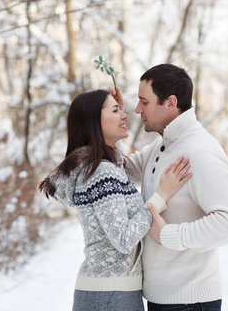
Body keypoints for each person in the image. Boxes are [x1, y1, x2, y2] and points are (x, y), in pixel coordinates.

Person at [39, 89, 192, 311]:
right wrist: (161, 196)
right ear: (94, 121)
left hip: (108, 293)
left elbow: (115, 164)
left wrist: (112, 112)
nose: (125, 115)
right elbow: (123, 238)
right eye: (115, 110)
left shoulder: (99, 169)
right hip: (110, 296)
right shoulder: (102, 172)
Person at [111, 64, 228, 311]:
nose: (137, 109)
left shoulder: (200, 151)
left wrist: (169, 235)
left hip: (189, 301)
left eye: (144, 101)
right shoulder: (161, 146)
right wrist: (111, 118)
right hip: (163, 298)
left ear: (170, 103)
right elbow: (121, 169)